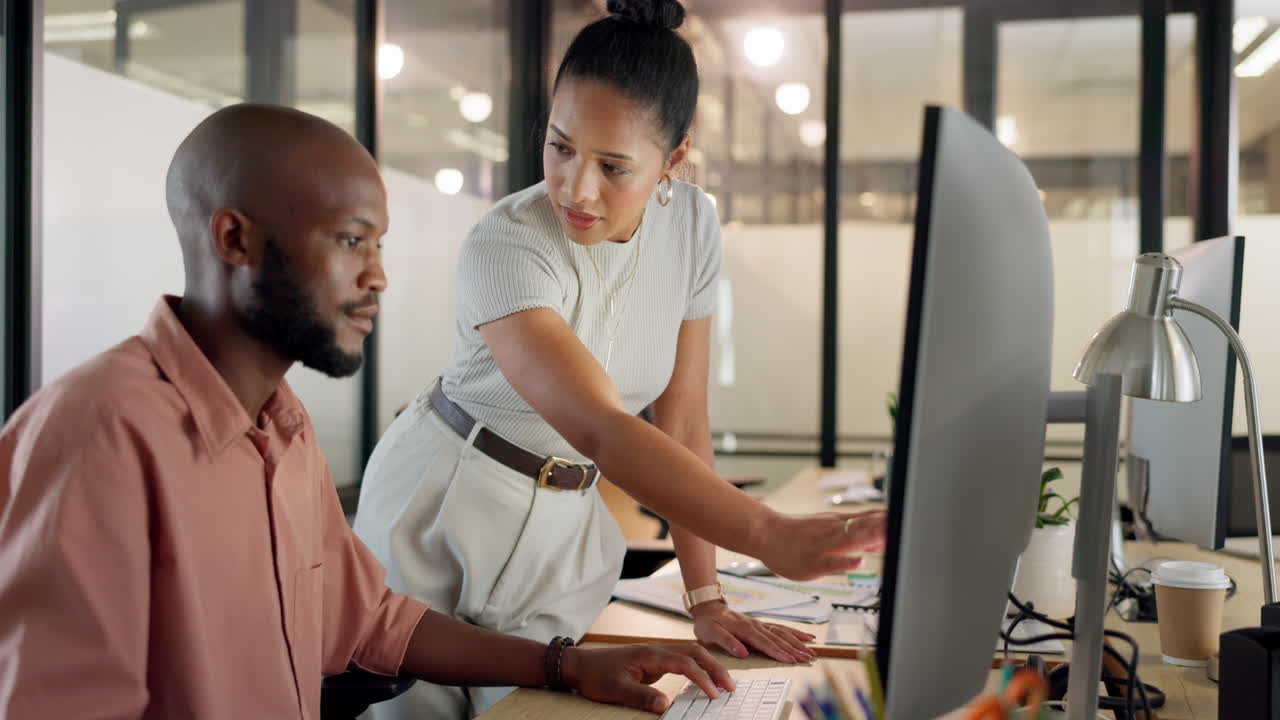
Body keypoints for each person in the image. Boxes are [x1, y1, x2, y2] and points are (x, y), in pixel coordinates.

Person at [0, 103, 736, 719]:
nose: (378, 276)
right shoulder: (97, 431)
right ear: (235, 238)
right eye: (351, 240)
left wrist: (568, 667)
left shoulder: (282, 431)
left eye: (379, 244)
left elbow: (370, 621)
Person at [353, 1, 886, 717]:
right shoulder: (506, 243)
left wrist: (708, 597)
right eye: (560, 146)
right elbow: (599, 425)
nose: (576, 187)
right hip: (449, 498)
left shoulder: (692, 225)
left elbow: (684, 420)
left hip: (565, 522)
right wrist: (766, 534)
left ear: (673, 160)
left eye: (612, 165)